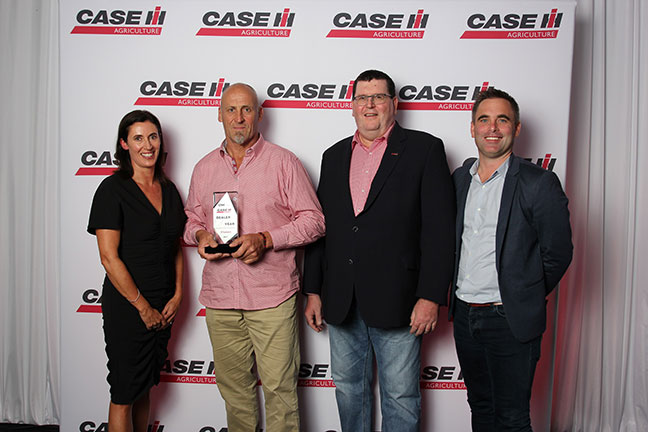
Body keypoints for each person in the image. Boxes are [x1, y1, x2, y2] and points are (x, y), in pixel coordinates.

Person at [303, 69, 456, 432]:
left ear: (394, 104)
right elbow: (323, 229)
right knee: (348, 389)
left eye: (378, 97)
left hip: (400, 299)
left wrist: (431, 296)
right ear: (352, 106)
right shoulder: (333, 155)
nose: (369, 105)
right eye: (362, 98)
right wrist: (313, 290)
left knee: (400, 395)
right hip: (342, 298)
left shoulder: (424, 149)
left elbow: (440, 231)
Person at [183, 83, 325, 432]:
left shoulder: (284, 162)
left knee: (280, 393)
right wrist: (200, 236)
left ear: (259, 114)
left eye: (246, 109)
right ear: (219, 115)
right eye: (230, 110)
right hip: (220, 299)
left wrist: (266, 239)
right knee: (235, 394)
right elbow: (191, 220)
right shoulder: (204, 168)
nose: (238, 118)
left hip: (271, 299)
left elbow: (314, 221)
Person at [449, 88, 573, 431]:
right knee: (480, 407)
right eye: (484, 120)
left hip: (508, 319)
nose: (492, 128)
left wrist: (524, 292)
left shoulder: (539, 183)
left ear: (516, 128)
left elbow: (558, 253)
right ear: (472, 128)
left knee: (512, 417)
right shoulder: (460, 179)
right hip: (465, 316)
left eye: (502, 120)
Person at [87, 110, 186, 432]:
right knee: (124, 391)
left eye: (153, 136)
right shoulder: (112, 189)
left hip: (163, 305)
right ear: (124, 144)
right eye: (138, 138)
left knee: (145, 386)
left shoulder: (169, 189)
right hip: (128, 306)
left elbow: (175, 247)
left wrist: (178, 294)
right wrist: (142, 307)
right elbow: (108, 258)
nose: (148, 145)